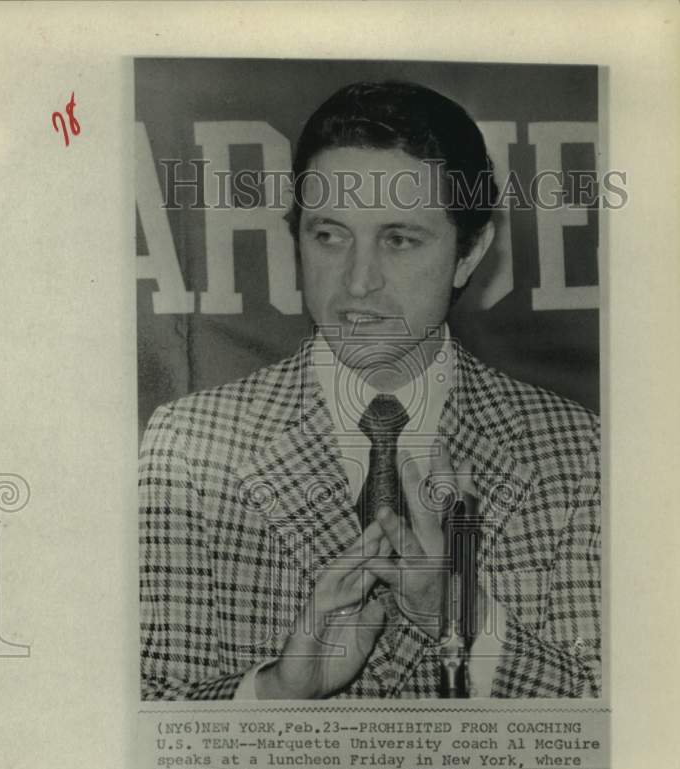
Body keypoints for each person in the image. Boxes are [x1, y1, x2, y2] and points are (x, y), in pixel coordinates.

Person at [139, 80, 601, 700]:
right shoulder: (188, 446)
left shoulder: (575, 451)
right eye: (329, 235)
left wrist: (459, 618)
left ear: (470, 253)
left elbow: (620, 735)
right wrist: (277, 692)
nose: (358, 282)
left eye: (399, 239)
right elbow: (146, 726)